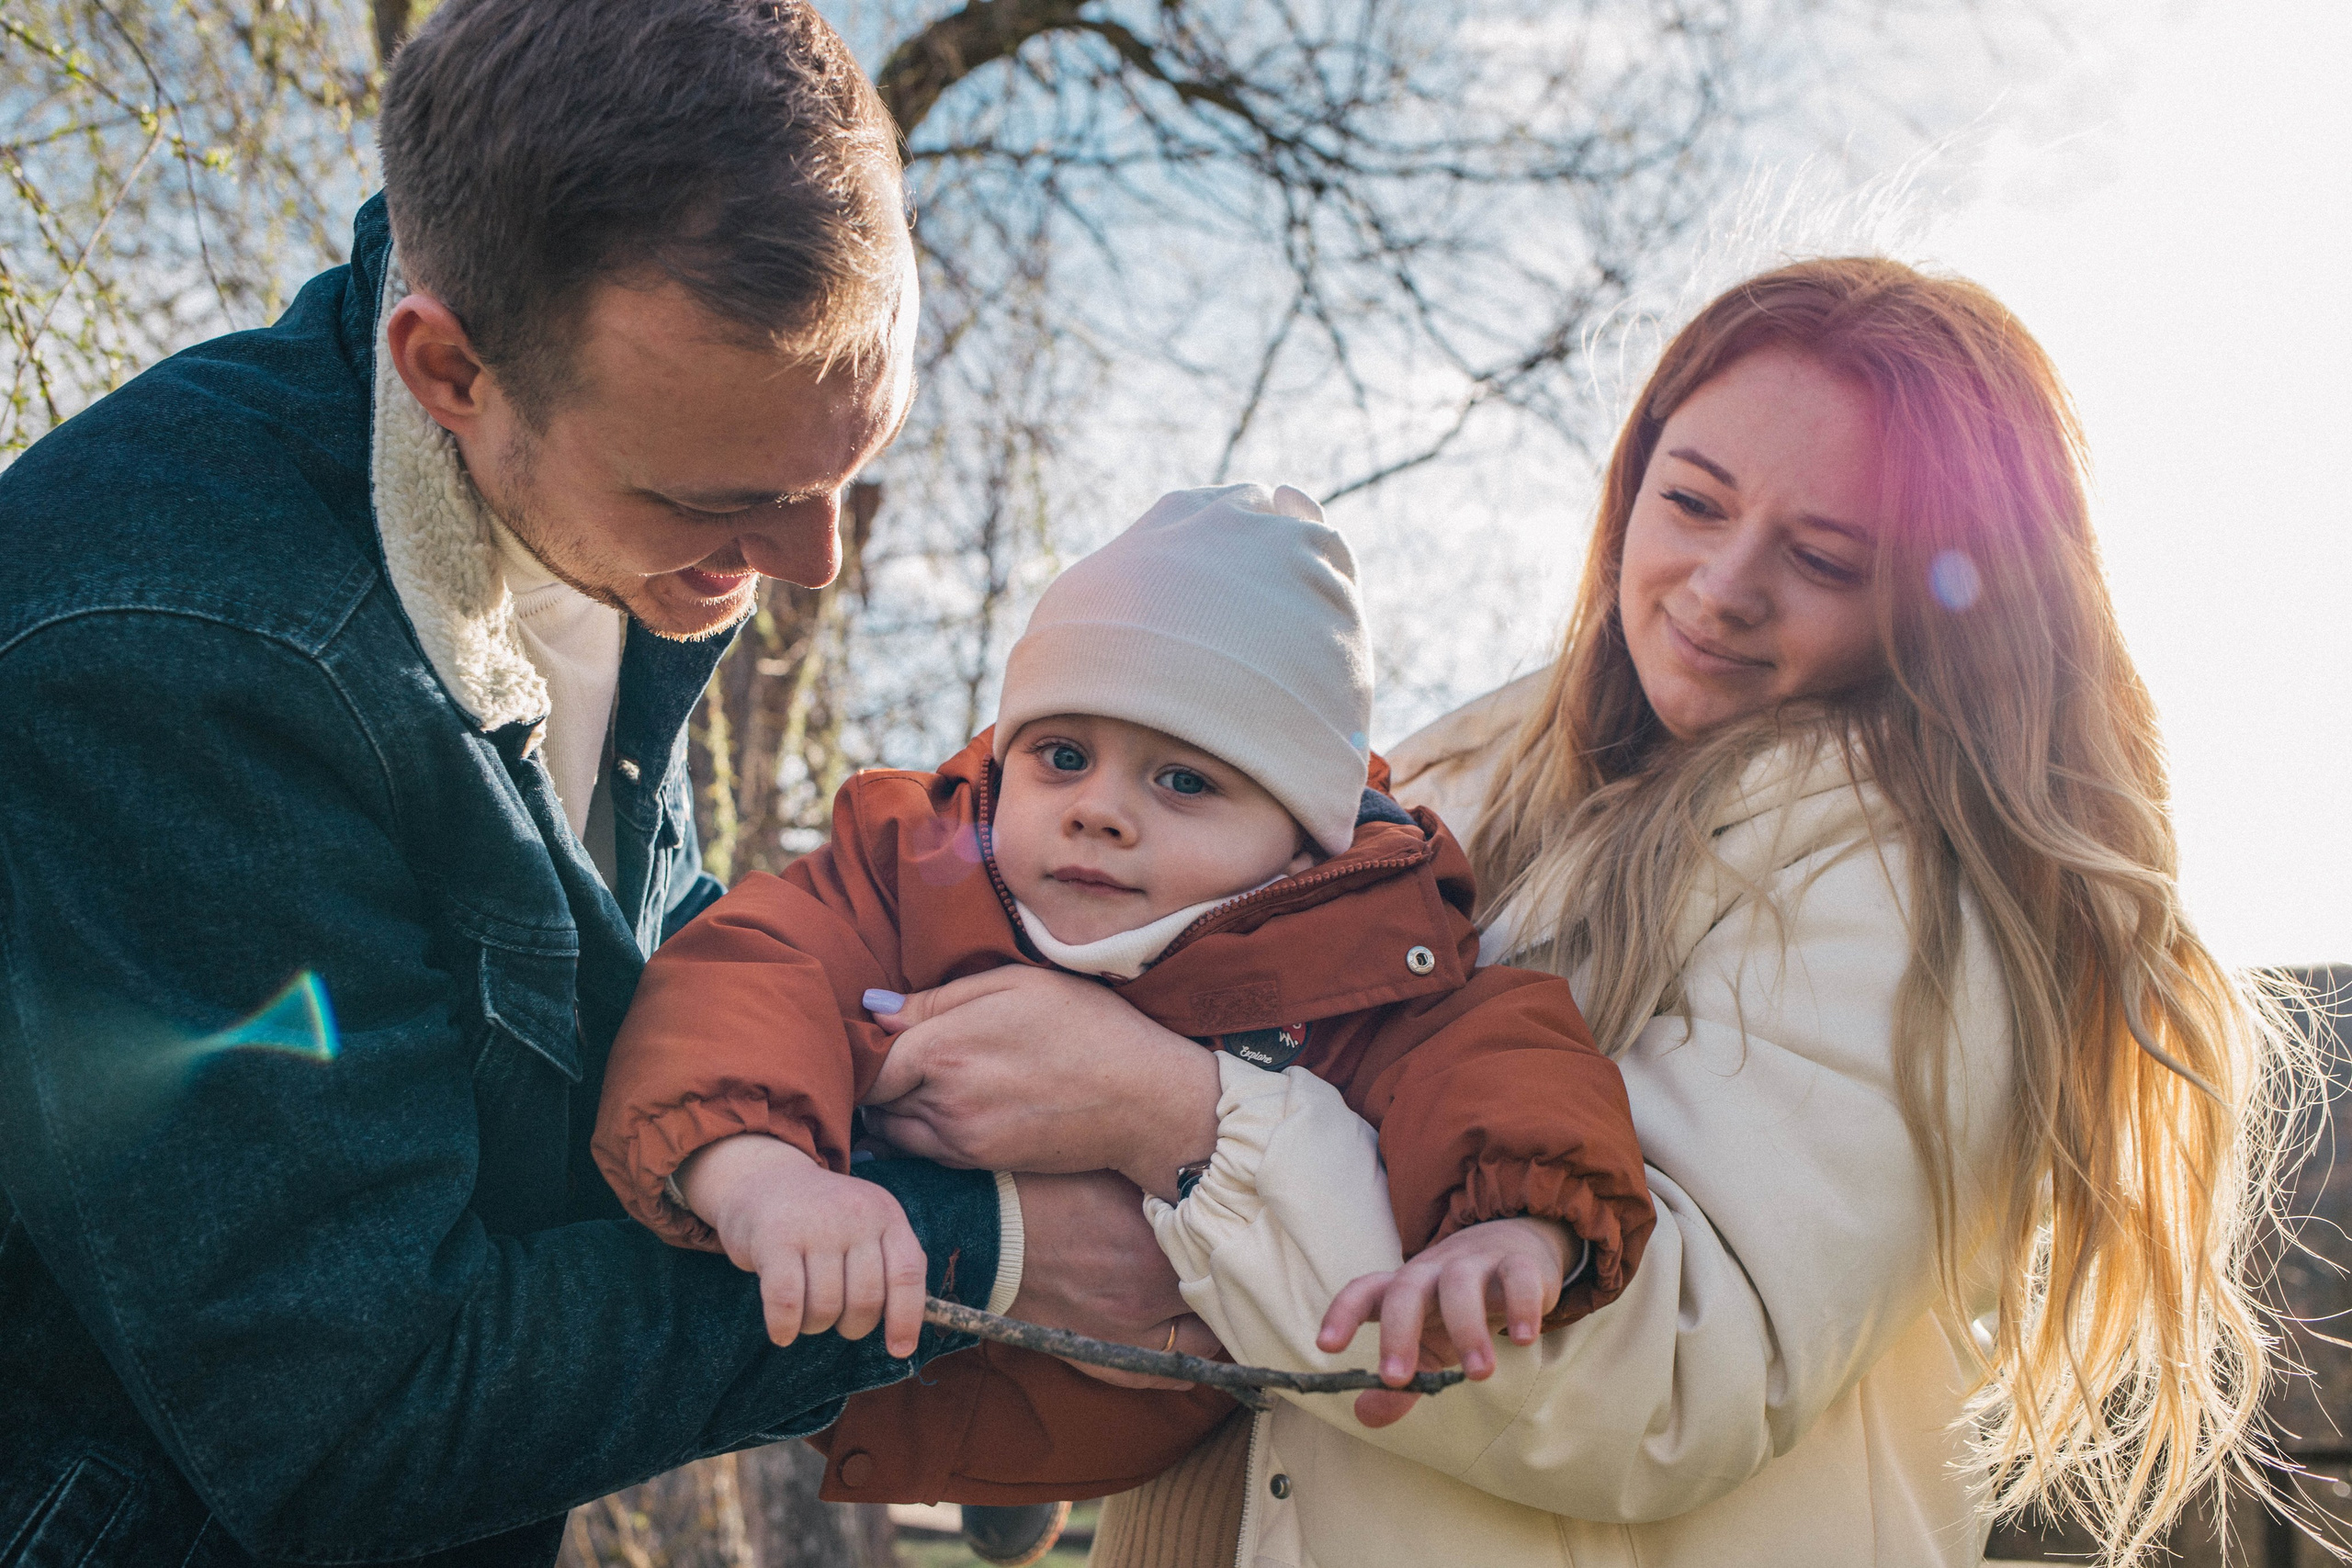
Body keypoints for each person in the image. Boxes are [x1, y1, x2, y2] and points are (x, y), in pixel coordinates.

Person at [834, 258, 2306, 1568]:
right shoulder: (1452, 778)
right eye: (1693, 499)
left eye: (1823, 557)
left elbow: (1662, 1377)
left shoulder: (1909, 865)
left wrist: (1170, 1115)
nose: (1719, 588)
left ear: (1945, 594)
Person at [0, 2, 1182, 1561]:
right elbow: (357, 1400)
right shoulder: (177, 653)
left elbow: (612, 1004)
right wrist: (986, 1257)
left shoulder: (604, 510)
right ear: (451, 370)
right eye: (728, 496)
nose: (809, 559)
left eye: (845, 468)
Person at [593, 481, 1655, 1508]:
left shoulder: (1358, 960)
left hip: (1111, 1410)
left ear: (1299, 848)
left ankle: (1014, 1501)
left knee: (1039, 1448)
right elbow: (744, 975)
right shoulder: (913, 868)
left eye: (1184, 780)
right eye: (1061, 755)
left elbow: (1503, 1067)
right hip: (861, 1359)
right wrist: (763, 1178)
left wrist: (1515, 1230)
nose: (1097, 810)